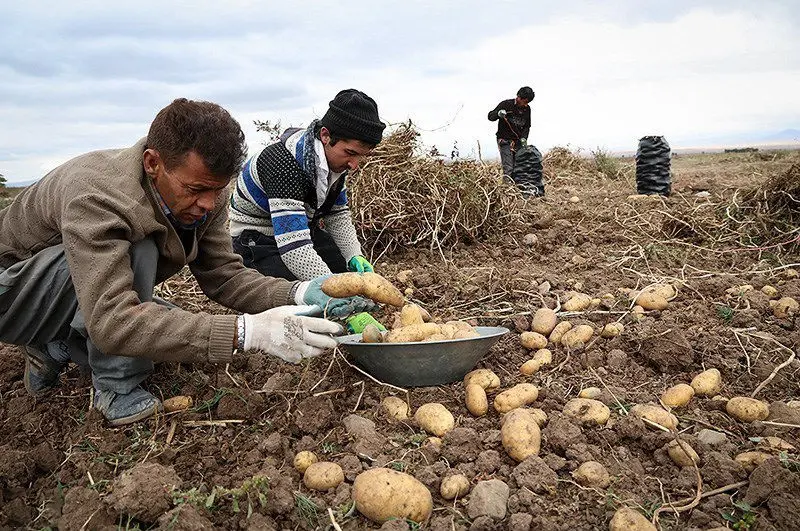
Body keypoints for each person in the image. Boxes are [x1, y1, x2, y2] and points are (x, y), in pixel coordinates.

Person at [0, 98, 373, 426]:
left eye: (217, 189)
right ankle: (117, 387)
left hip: (68, 286)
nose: (209, 203)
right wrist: (248, 332)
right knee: (140, 252)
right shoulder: (101, 199)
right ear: (152, 163)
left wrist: (302, 292)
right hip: (10, 291)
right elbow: (114, 320)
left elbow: (224, 276)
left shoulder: (204, 192)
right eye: (196, 190)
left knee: (167, 319)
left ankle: (54, 345)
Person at [230, 89, 385, 281]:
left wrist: (353, 254)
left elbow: (336, 213)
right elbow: (294, 246)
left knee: (347, 275)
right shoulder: (284, 165)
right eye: (350, 153)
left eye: (362, 156)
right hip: (256, 237)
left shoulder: (332, 164)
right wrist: (330, 290)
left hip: (300, 228)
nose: (354, 165)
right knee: (299, 295)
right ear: (326, 135)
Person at [488, 86, 534, 179]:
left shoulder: (527, 109)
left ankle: (517, 190)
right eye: (525, 102)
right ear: (519, 97)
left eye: (527, 103)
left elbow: (527, 126)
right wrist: (498, 114)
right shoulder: (506, 104)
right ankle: (507, 190)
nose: (526, 105)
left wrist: (524, 138)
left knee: (519, 168)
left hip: (518, 142)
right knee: (508, 168)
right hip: (504, 140)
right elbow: (490, 116)